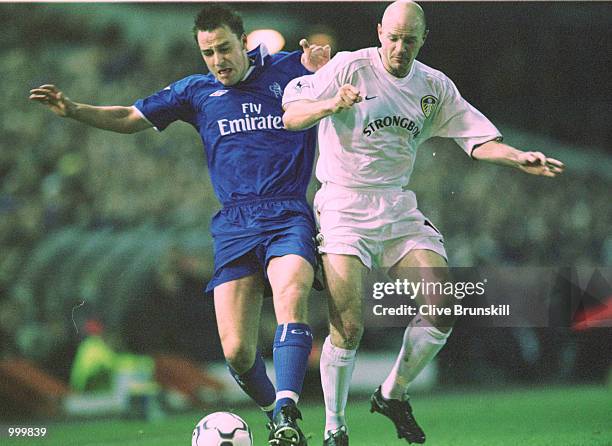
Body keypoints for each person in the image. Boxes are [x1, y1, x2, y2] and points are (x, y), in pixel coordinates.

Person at [30, 4, 331, 445]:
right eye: (208, 52)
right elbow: (130, 117)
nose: (218, 60)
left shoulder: (290, 70)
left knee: (290, 295)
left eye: (224, 49)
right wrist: (74, 109)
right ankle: (274, 414)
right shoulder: (196, 92)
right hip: (234, 224)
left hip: (287, 213)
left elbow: (351, 77)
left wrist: (326, 65)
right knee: (236, 352)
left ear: (244, 42)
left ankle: (288, 408)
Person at [281, 1, 565, 444]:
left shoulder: (433, 86)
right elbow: (291, 114)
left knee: (443, 303)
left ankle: (392, 393)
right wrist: (331, 103)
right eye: (392, 37)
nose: (399, 47)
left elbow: (476, 138)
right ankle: (335, 426)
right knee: (349, 325)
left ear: (422, 39)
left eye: (409, 40)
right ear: (379, 31)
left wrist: (517, 159)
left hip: (395, 207)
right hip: (342, 205)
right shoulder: (348, 66)